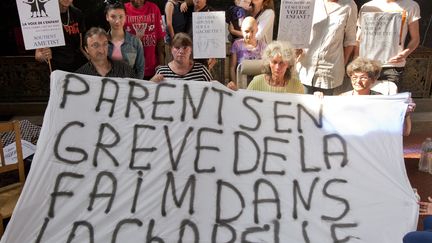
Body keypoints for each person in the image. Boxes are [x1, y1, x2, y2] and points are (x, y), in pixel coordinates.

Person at [316, 57, 415, 136]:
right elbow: (325, 123)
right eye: (354, 77)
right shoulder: (342, 98)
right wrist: (318, 100)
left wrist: (405, 114)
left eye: (363, 77)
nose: (357, 81)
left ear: (372, 80)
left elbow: (405, 132)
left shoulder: (381, 100)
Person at [356, 0, 421, 90]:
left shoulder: (411, 6)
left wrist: (405, 53)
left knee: (389, 100)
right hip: (366, 65)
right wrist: (356, 60)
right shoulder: (367, 6)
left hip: (392, 66)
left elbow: (415, 38)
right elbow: (359, 37)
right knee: (365, 100)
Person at [296, 0, 357, 95]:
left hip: (330, 71)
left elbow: (350, 39)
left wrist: (342, 63)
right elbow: (298, 29)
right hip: (305, 66)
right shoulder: (311, 2)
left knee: (324, 107)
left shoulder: (349, 5)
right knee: (303, 105)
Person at [227, 41, 304, 94]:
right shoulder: (256, 82)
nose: (277, 67)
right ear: (268, 63)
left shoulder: (297, 86)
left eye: (282, 63)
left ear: (288, 64)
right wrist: (235, 93)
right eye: (274, 62)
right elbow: (245, 102)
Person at [34, 0, 87, 72]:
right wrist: (43, 56)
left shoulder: (77, 14)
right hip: (58, 68)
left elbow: (81, 47)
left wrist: (93, 61)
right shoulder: (45, 16)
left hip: (78, 66)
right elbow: (38, 55)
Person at [124, 0, 166, 80]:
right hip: (130, 69)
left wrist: (162, 67)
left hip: (152, 69)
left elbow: (160, 40)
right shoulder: (123, 9)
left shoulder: (154, 9)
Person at [105, 0, 145, 79]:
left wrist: (136, 88)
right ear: (107, 17)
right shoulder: (101, 42)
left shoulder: (135, 42)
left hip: (130, 87)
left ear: (125, 16)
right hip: (107, 87)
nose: (117, 21)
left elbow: (140, 69)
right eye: (113, 16)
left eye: (121, 16)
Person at [229, 16, 266, 85]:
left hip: (258, 83)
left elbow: (266, 67)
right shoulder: (237, 45)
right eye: (246, 31)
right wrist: (235, 84)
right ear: (241, 30)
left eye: (252, 31)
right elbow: (232, 67)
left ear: (257, 30)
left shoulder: (262, 46)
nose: (249, 34)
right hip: (242, 83)